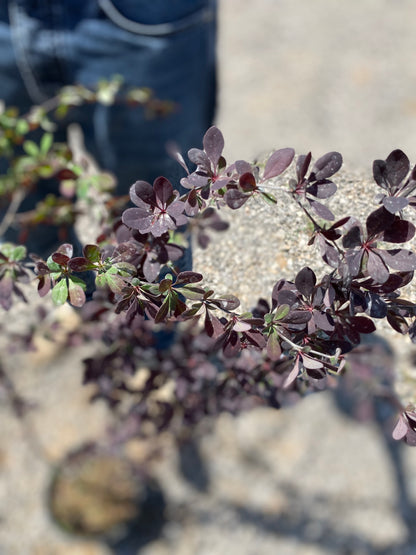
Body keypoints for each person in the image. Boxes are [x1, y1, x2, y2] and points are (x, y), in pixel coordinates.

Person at [0, 0, 217, 260]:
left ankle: (139, 296)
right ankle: (87, 294)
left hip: (142, 17)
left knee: (154, 225)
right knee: (27, 230)